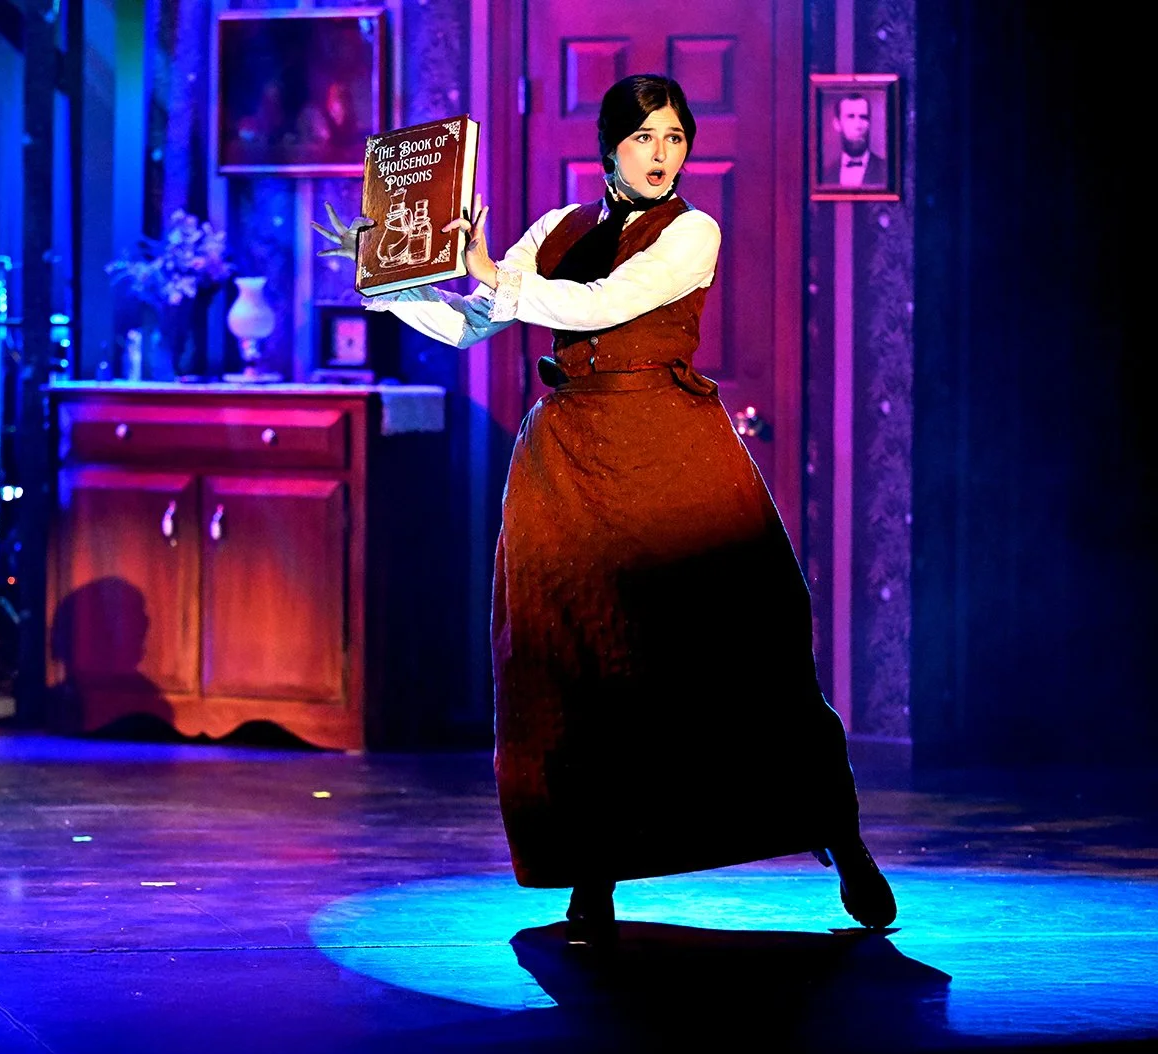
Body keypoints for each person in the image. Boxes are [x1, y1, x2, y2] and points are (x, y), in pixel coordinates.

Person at [313, 74, 897, 940]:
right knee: (579, 659)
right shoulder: (559, 228)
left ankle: (839, 837)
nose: (663, 155)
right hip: (570, 465)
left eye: (675, 138)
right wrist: (389, 282)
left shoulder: (695, 231)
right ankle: (594, 871)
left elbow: (601, 304)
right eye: (645, 138)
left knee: (747, 656)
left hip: (669, 454)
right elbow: (478, 321)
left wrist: (488, 277)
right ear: (610, 144)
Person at [830, 93, 888, 188]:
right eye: (850, 117)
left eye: (863, 117)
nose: (858, 125)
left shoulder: (886, 171)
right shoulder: (826, 175)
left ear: (869, 124)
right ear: (837, 124)